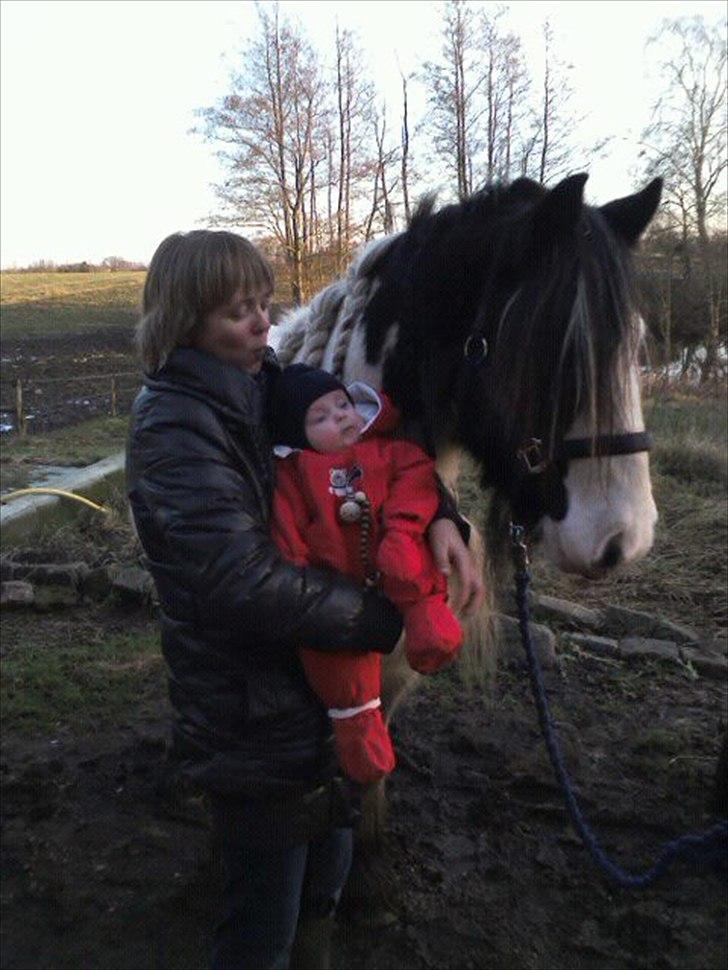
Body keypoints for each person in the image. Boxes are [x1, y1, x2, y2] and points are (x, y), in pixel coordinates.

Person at [126, 229, 484, 970]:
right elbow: (239, 581)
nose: (263, 323)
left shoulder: (268, 384)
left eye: (262, 304)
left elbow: (367, 443)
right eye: (237, 312)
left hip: (317, 693)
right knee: (264, 916)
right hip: (249, 708)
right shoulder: (175, 426)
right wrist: (379, 621)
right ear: (182, 321)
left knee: (326, 880)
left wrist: (445, 514)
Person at [268, 364, 463, 786]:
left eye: (342, 405)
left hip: (392, 555)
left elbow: (418, 474)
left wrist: (404, 527)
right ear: (297, 436)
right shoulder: (294, 474)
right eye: (319, 417)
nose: (339, 417)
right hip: (332, 590)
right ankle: (358, 731)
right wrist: (301, 578)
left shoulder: (383, 449)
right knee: (340, 669)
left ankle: (428, 620)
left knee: (409, 565)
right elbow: (287, 536)